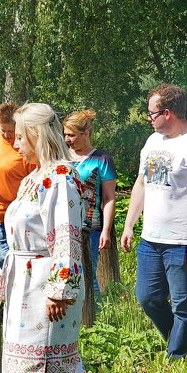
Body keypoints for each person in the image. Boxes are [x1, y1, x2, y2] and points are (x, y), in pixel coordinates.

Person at [0, 102, 98, 373]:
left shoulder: (60, 177)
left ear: (36, 135)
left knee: (49, 363)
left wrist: (59, 291)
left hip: (46, 287)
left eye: (20, 137)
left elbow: (66, 236)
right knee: (25, 362)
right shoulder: (33, 177)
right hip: (23, 282)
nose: (16, 143)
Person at [120, 84, 187, 359]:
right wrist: (130, 224)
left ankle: (178, 358)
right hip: (152, 240)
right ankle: (180, 341)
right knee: (149, 298)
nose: (148, 118)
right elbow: (142, 183)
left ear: (167, 112)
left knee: (184, 305)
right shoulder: (153, 142)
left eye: (151, 113)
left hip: (184, 242)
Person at [63, 109, 117, 298]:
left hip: (90, 227)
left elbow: (110, 198)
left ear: (85, 134)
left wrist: (106, 230)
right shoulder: (60, 156)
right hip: (61, 225)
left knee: (87, 273)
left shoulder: (101, 159)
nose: (67, 139)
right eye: (65, 135)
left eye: (71, 135)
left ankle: (95, 320)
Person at [0, 102, 35, 264]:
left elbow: (34, 181)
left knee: (18, 259)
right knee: (2, 259)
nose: (6, 135)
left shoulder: (25, 146)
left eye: (10, 131)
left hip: (18, 215)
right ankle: (5, 289)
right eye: (2, 130)